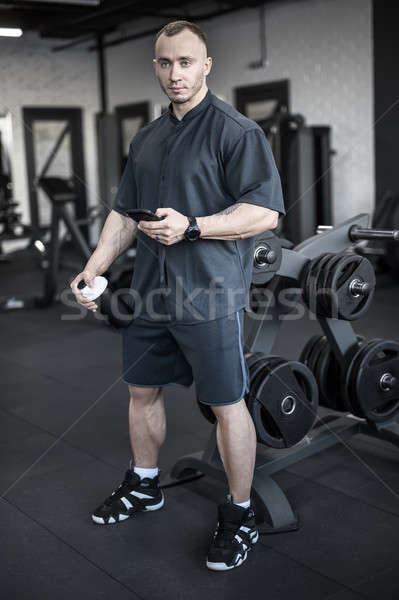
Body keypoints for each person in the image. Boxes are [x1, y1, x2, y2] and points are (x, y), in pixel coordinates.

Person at [71, 20, 285, 572]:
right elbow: (124, 214)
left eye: (186, 62)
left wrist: (194, 226)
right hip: (150, 294)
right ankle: (145, 485)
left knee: (225, 404)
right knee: (142, 392)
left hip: (209, 295)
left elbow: (263, 212)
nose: (175, 74)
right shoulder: (147, 137)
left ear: (207, 65)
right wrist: (93, 267)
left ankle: (240, 515)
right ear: (156, 68)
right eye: (165, 63)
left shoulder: (237, 132)